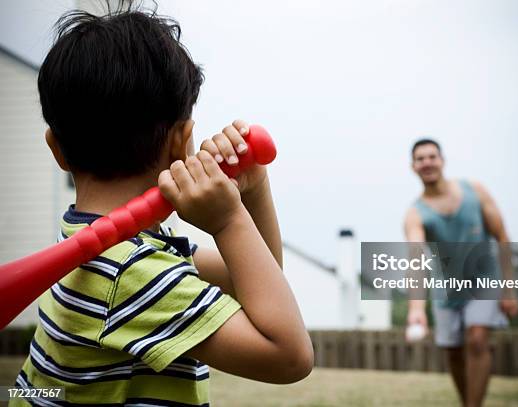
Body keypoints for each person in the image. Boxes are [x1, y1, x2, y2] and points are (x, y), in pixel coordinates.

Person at [10, 4, 312, 406]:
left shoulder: (103, 244)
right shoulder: (127, 274)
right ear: (180, 141)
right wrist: (228, 221)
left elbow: (251, 282)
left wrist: (251, 192)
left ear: (57, 149)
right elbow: (289, 356)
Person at [404, 139, 518, 407]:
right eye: (420, 159)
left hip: (484, 280)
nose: (427, 162)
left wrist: (509, 288)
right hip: (447, 289)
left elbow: (502, 236)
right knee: (454, 352)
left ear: (442, 160)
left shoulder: (474, 191)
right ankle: (467, 401)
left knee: (477, 338)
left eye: (432, 156)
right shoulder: (415, 214)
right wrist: (416, 309)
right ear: (413, 167)